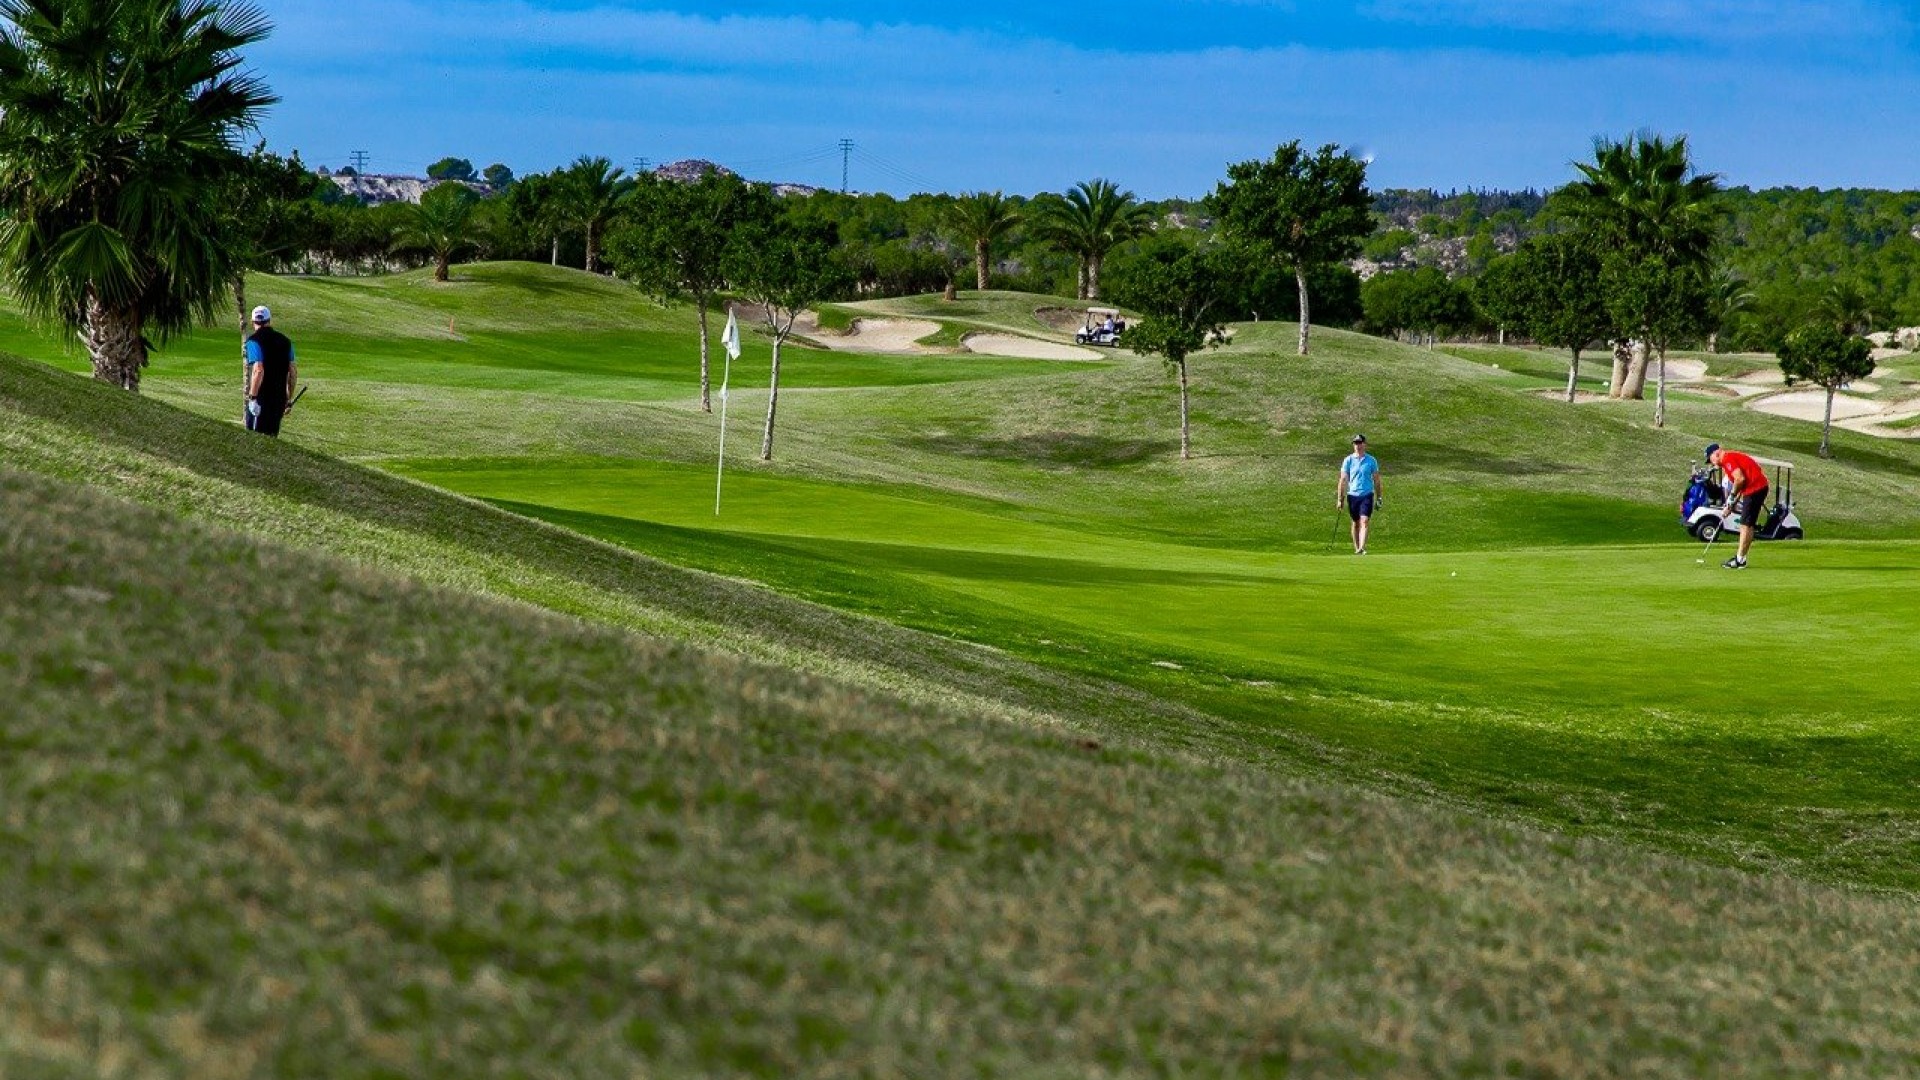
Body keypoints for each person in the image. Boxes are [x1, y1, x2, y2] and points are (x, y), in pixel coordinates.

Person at [1706, 442, 1767, 569]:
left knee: (1745, 525)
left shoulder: (1728, 458)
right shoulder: (1728, 461)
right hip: (1755, 488)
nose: (1712, 463)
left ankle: (1740, 560)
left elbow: (1740, 479)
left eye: (1710, 459)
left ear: (1715, 453)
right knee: (1747, 525)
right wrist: (1730, 504)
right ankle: (1741, 558)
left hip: (1755, 488)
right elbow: (1740, 484)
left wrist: (1732, 497)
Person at [244, 305, 297, 437]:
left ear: (252, 322)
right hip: (278, 400)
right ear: (269, 321)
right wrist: (288, 398)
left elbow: (258, 370)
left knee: (254, 441)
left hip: (261, 400)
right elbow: (293, 372)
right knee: (271, 440)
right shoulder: (286, 342)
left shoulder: (253, 341)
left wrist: (253, 398)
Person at [1335, 434, 1381, 554]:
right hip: (1353, 495)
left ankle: (1362, 547)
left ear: (1364, 444)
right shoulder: (1348, 460)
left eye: (1360, 443)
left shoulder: (1371, 460)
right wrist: (1340, 499)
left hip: (1367, 494)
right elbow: (1343, 480)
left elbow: (1376, 479)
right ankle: (1357, 548)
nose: (1358, 445)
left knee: (1364, 520)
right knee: (1355, 522)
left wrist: (1379, 497)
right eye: (1356, 443)